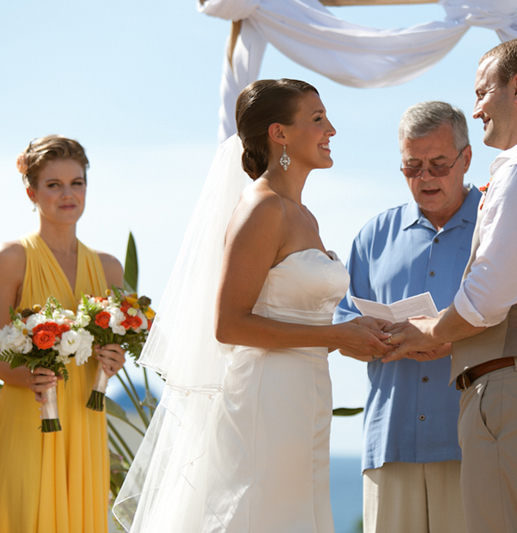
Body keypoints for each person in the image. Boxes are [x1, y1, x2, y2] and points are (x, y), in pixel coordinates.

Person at [113, 79, 391, 533]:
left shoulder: (303, 214)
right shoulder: (263, 209)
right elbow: (229, 324)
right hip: (267, 396)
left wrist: (353, 334)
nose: (332, 130)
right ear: (279, 133)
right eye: (318, 119)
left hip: (307, 393)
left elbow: (295, 311)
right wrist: (335, 335)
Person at [385, 38, 517, 533]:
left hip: (513, 396)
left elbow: (488, 298)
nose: (477, 106)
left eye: (483, 91)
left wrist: (432, 333)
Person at [334, 101, 478, 533]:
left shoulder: (496, 227)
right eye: (412, 167)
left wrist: (446, 340)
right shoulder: (373, 235)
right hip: (390, 444)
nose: (426, 177)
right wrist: (367, 337)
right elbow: (342, 325)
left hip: (471, 443)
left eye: (438, 164)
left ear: (466, 158)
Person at [0, 135, 127, 532]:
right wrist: (31, 378)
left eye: (77, 183)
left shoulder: (110, 269)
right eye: (54, 184)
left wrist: (114, 360)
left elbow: (114, 341)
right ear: (32, 191)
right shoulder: (10, 259)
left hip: (86, 416)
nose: (68, 194)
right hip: (29, 415)